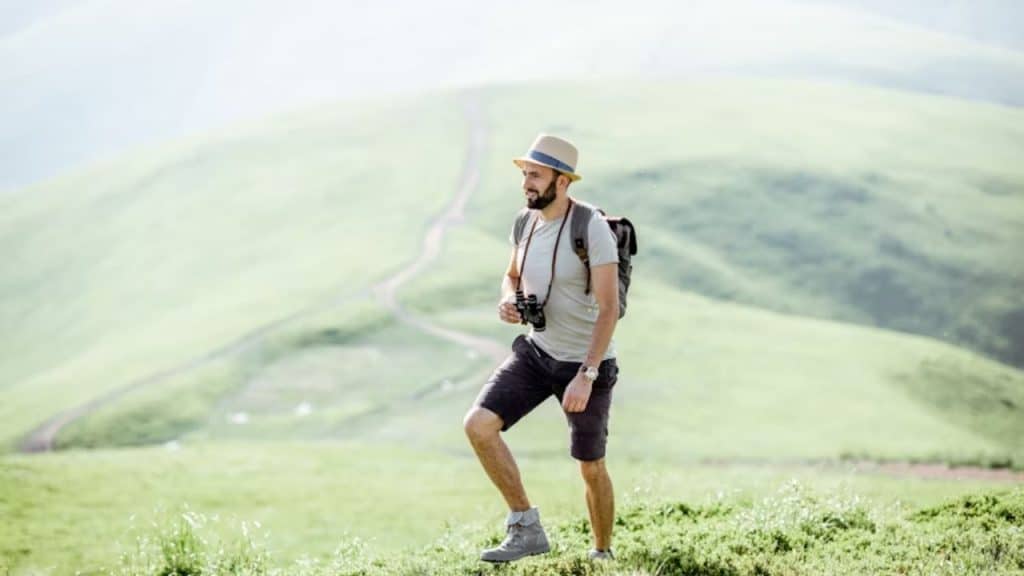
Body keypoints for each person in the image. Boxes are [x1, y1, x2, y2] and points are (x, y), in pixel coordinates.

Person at [463, 134, 621, 563]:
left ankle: (602, 554)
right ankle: (525, 528)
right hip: (536, 352)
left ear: (562, 180)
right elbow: (511, 274)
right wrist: (507, 297)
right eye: (524, 174)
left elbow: (610, 309)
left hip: (586, 364)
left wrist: (586, 376)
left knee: (590, 466)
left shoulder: (591, 228)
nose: (526, 183)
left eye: (535, 175)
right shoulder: (525, 223)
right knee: (478, 426)